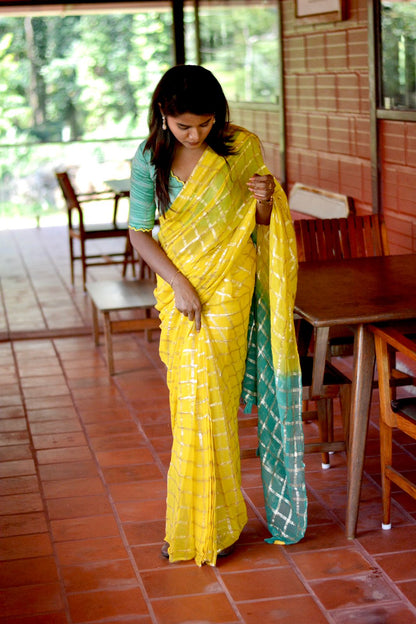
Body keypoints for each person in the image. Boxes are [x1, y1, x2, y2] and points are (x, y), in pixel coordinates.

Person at [129, 64, 307, 567]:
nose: (195, 133)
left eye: (205, 124)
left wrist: (269, 203)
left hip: (230, 284)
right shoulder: (148, 160)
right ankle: (198, 520)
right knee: (190, 405)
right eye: (184, 125)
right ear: (163, 115)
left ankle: (215, 525)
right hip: (179, 288)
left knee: (211, 399)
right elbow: (141, 232)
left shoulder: (240, 147)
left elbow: (259, 225)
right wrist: (178, 283)